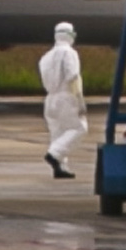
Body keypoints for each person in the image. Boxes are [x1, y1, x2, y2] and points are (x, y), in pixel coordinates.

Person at [37, 21, 85, 180]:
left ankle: (60, 167)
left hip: (50, 97)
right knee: (79, 128)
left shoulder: (46, 56)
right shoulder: (69, 53)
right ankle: (54, 154)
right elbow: (73, 76)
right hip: (66, 96)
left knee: (58, 132)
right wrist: (80, 99)